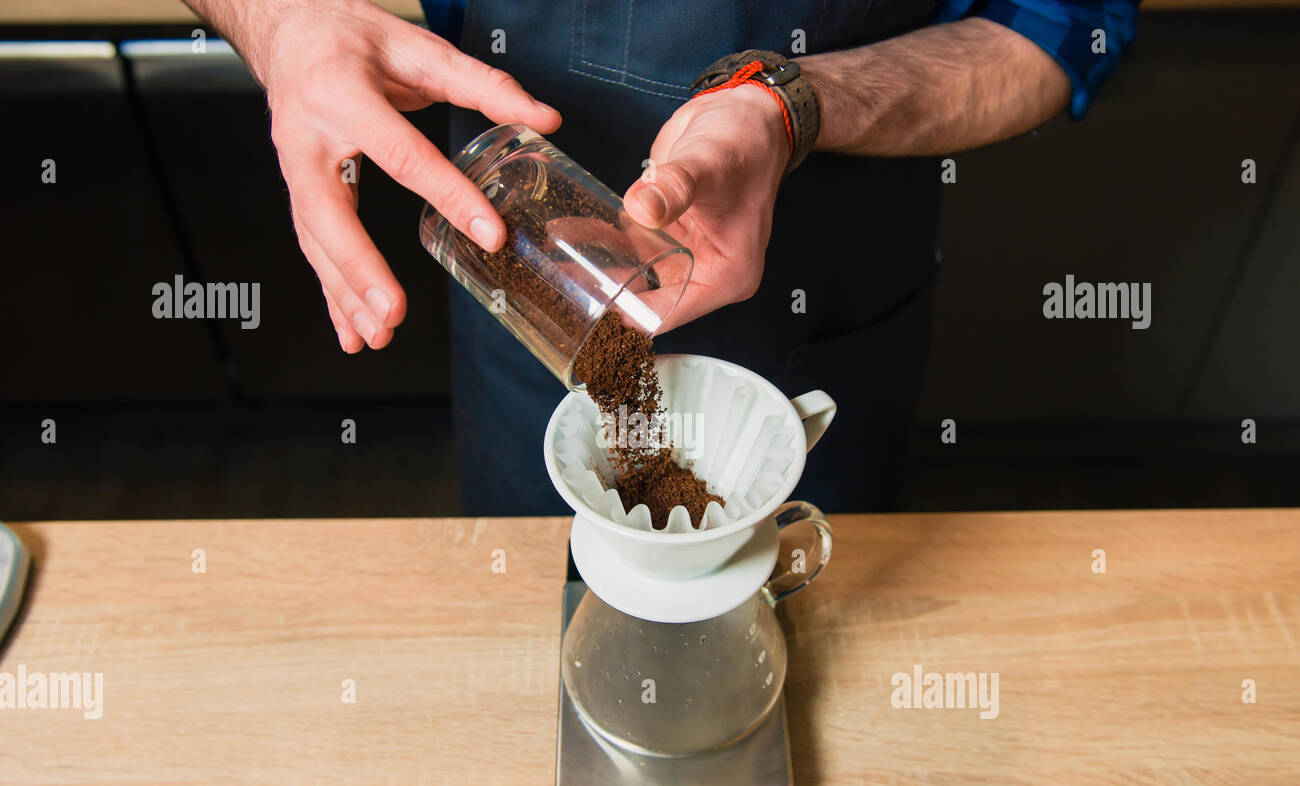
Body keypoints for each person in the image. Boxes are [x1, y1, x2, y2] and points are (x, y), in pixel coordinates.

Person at [184, 0, 1138, 514]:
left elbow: (1057, 24)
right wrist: (287, 24)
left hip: (829, 295)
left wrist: (791, 106)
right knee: (548, 625)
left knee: (818, 628)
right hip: (524, 283)